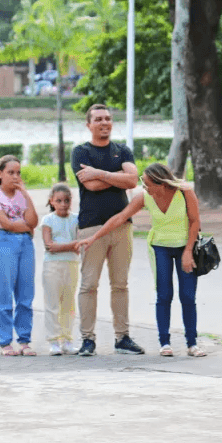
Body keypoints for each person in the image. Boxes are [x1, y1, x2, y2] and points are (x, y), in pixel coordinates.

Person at [79, 162, 205, 358]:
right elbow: (121, 217)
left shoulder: (185, 192)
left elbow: (195, 221)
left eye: (146, 183)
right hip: (160, 247)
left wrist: (188, 251)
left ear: (160, 183)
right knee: (164, 295)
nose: (143, 187)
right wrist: (94, 237)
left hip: (184, 247)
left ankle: (192, 343)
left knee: (188, 296)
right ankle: (165, 343)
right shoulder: (145, 197)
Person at [72, 103, 144, 357]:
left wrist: (101, 173)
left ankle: (122, 337)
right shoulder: (80, 152)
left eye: (108, 119)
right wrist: (116, 178)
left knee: (120, 285)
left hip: (122, 227)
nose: (104, 123)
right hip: (91, 226)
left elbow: (133, 180)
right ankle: (87, 339)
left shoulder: (122, 150)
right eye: (99, 119)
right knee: (89, 285)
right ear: (89, 124)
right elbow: (90, 186)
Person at [0, 155, 39, 356]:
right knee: (4, 293)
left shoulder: (20, 195)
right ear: (0, 174)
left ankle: (24, 340)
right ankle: (5, 341)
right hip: (3, 241)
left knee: (25, 294)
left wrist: (25, 193)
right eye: (10, 173)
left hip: (25, 244)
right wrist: (26, 227)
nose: (15, 177)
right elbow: (5, 224)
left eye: (18, 173)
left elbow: (34, 221)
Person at [41, 183, 79, 356]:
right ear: (52, 201)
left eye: (66, 200)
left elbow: (78, 245)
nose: (63, 204)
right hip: (52, 266)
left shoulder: (76, 219)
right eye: (59, 200)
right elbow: (49, 246)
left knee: (69, 304)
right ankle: (54, 340)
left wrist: (63, 246)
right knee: (52, 303)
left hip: (71, 264)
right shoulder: (47, 220)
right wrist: (71, 245)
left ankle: (67, 339)